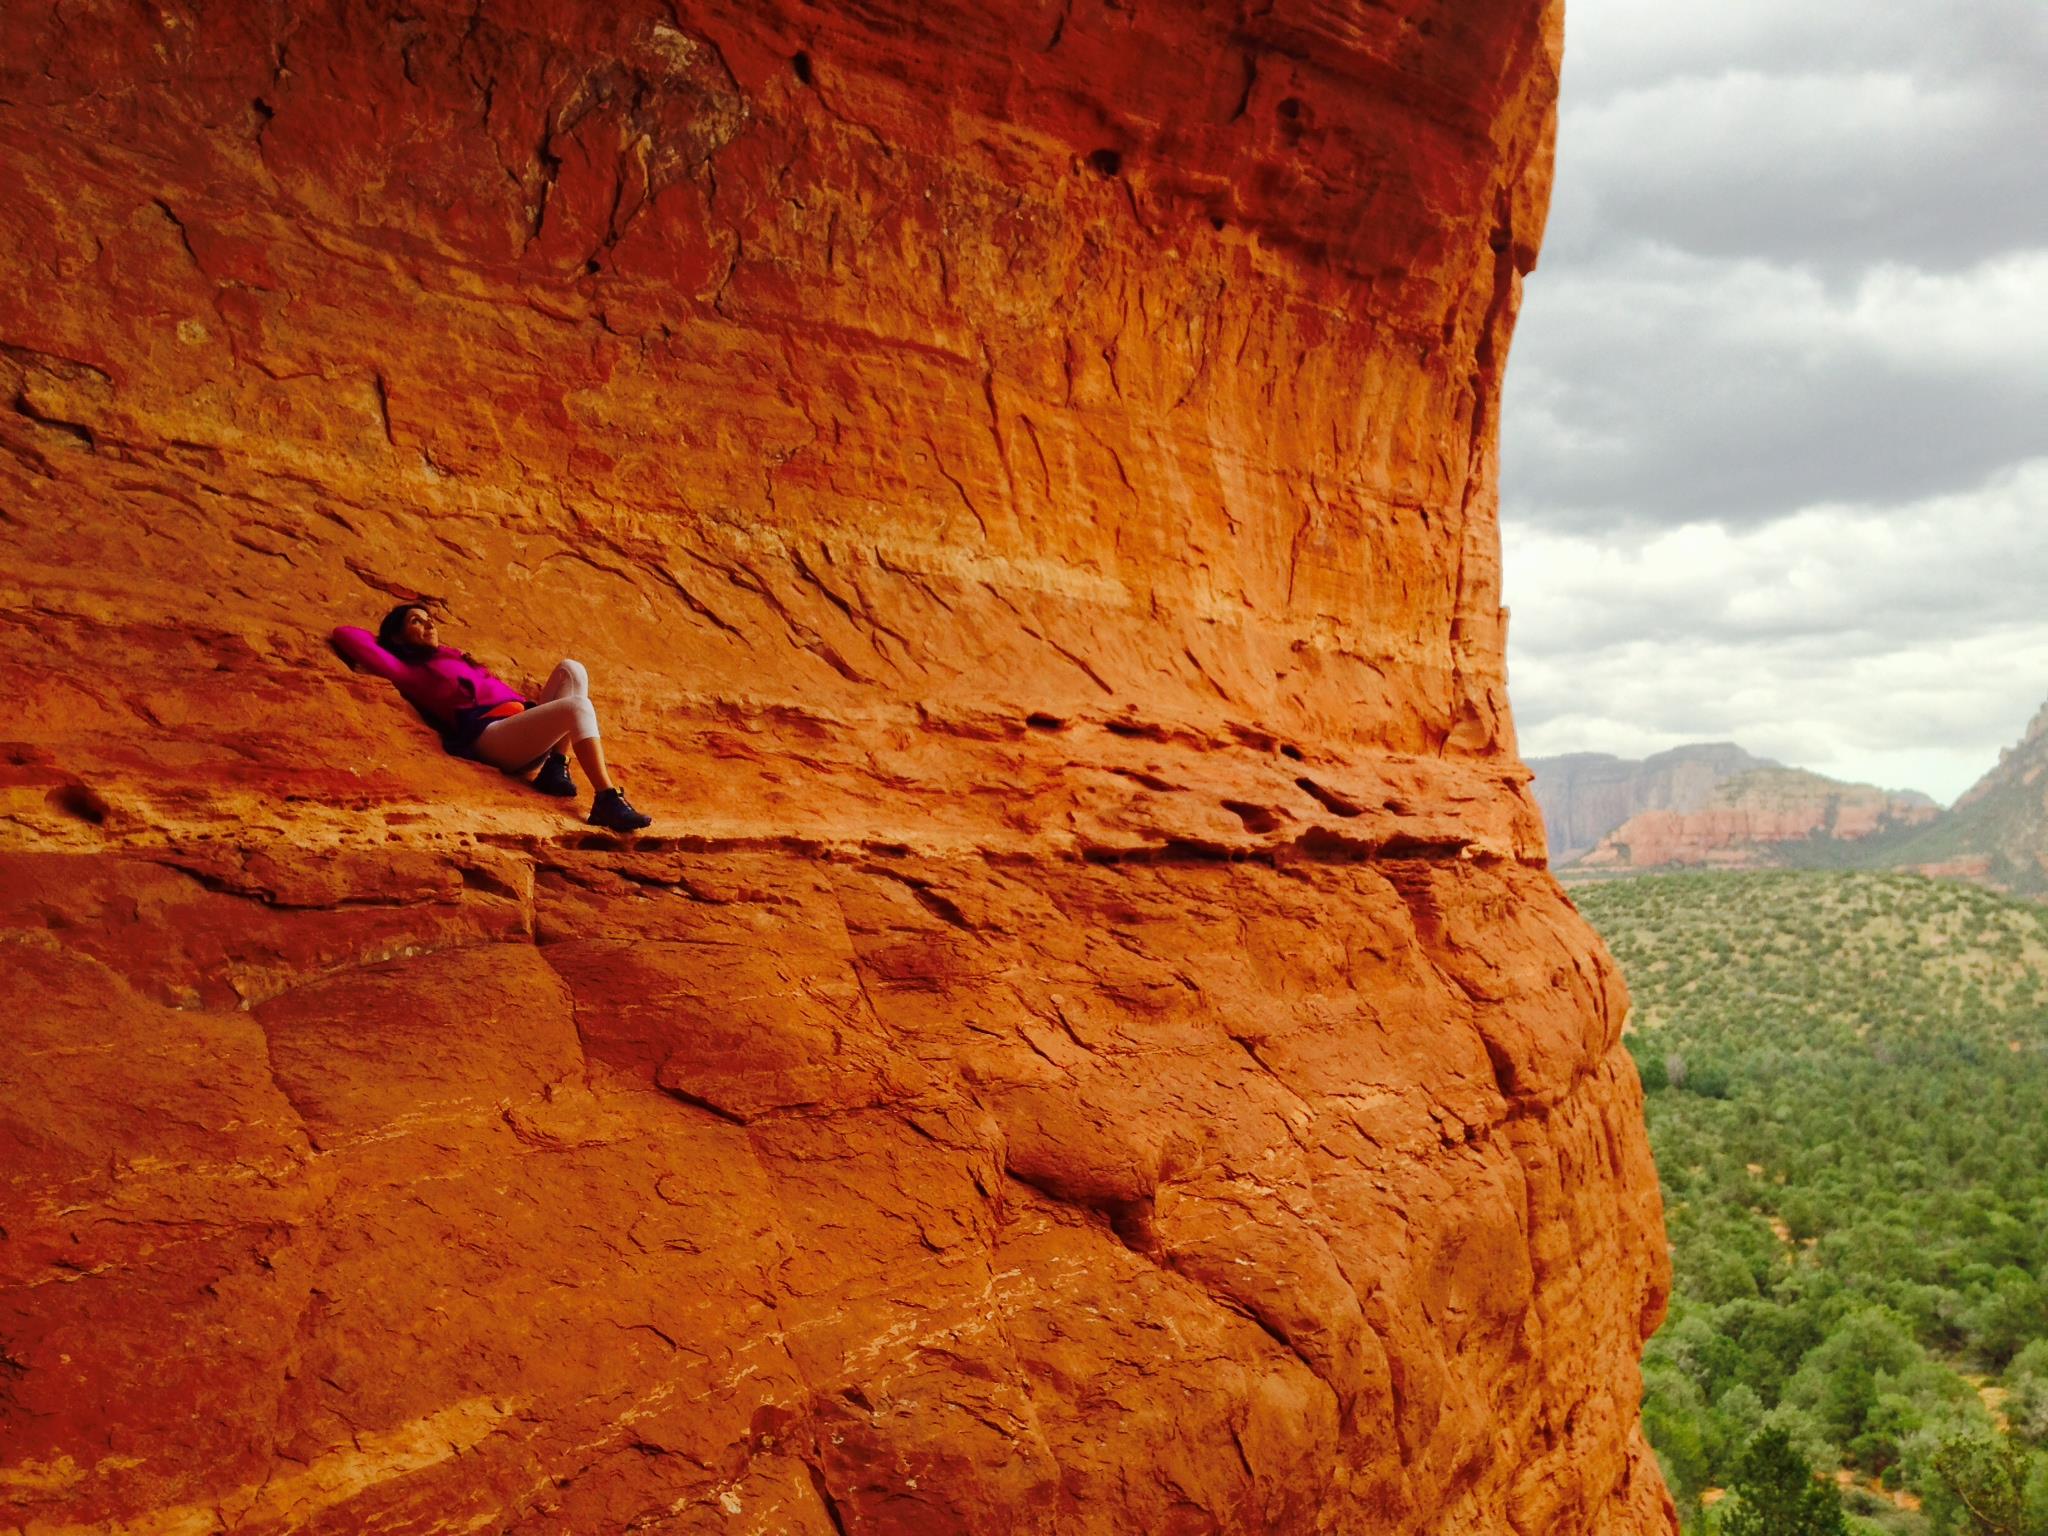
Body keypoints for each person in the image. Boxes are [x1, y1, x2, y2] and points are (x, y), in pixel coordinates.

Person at [332, 603, 652, 832]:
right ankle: (606, 799)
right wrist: (390, 643)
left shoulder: (453, 657)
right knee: (578, 706)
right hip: (491, 738)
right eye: (416, 621)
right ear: (399, 638)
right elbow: (347, 634)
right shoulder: (409, 671)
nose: (429, 625)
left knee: (573, 669)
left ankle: (556, 767)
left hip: (521, 728)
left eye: (430, 620)